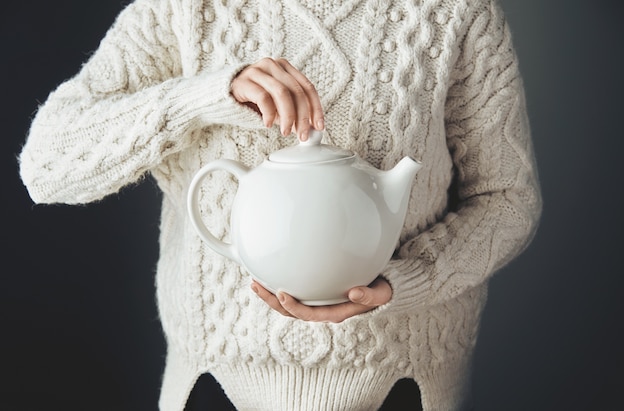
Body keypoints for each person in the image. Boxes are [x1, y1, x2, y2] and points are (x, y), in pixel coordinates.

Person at [19, 0, 542, 410]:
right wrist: (202, 98)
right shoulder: (182, 9)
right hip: (215, 385)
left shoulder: (456, 11)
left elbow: (507, 201)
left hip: (402, 386)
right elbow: (46, 164)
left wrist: (406, 281)